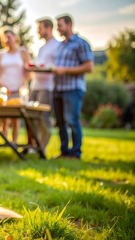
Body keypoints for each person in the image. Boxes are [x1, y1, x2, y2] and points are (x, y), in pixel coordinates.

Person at [52, 14, 94, 159]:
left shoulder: (80, 43)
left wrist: (66, 70)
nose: (58, 29)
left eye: (60, 25)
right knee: (60, 122)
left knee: (72, 121)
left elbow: (89, 67)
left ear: (69, 25)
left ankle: (76, 152)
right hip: (58, 88)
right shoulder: (60, 45)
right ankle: (64, 151)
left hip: (73, 88)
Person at [26, 17, 61, 151]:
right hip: (35, 86)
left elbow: (56, 66)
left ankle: (42, 146)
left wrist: (43, 67)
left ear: (48, 28)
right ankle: (34, 144)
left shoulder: (57, 46)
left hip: (47, 87)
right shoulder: (41, 48)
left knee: (43, 117)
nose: (38, 32)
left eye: (40, 28)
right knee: (31, 117)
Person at [0, 27, 31, 144]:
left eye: (9, 36)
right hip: (5, 91)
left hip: (19, 90)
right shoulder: (0, 54)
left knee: (16, 118)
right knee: (4, 118)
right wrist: (4, 86)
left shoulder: (23, 52)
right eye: (4, 37)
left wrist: (23, 84)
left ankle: (14, 142)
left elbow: (29, 70)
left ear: (15, 37)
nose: (6, 39)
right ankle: (5, 140)